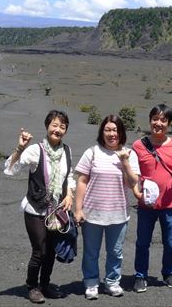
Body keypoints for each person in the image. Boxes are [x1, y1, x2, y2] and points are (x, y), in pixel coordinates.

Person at [4, 110, 75, 303]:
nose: (58, 130)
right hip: (35, 209)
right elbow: (10, 170)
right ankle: (32, 286)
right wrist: (20, 148)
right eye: (54, 125)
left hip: (55, 211)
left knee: (51, 251)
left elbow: (68, 176)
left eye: (62, 126)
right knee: (40, 250)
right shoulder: (36, 150)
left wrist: (69, 194)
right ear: (47, 126)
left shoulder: (67, 151)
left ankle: (45, 284)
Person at [73, 115, 141, 300]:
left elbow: (133, 181)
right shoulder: (92, 152)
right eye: (108, 130)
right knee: (91, 251)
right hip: (92, 213)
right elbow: (81, 181)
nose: (112, 134)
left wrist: (125, 161)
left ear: (121, 133)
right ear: (102, 132)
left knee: (115, 252)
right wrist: (78, 210)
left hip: (118, 214)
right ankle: (91, 282)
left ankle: (112, 282)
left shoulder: (129, 154)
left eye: (115, 130)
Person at [132, 104, 172, 293]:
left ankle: (168, 273)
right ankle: (140, 275)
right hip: (146, 204)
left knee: (171, 243)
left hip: (171, 203)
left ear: (169, 124)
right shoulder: (139, 145)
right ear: (150, 121)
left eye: (163, 120)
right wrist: (135, 191)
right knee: (142, 243)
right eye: (155, 118)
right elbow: (134, 175)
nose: (158, 123)